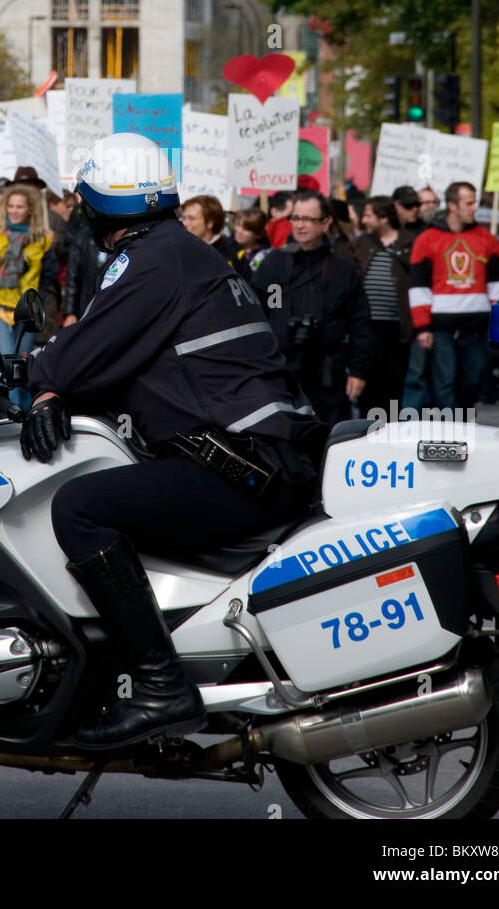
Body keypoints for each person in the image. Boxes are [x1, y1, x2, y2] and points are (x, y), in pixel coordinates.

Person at [23, 134, 325, 749]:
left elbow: (83, 355)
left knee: (79, 509)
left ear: (97, 208)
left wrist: (40, 380)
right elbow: (136, 363)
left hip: (245, 466)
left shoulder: (151, 260)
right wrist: (59, 386)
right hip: (265, 457)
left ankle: (161, 686)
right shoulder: (183, 251)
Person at [251, 191, 374, 425]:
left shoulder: (342, 269)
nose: (299, 225)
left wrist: (358, 371)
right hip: (281, 372)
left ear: (326, 222)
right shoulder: (274, 263)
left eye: (308, 219)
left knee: (326, 442)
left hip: (327, 375)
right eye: (295, 218)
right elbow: (254, 313)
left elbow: (360, 322)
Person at [407, 180, 499, 412]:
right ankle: (451, 432)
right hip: (441, 327)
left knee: (473, 380)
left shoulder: (487, 239)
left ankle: (462, 421)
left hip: (476, 327)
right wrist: (422, 327)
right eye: (469, 203)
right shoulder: (427, 239)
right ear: (452, 205)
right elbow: (419, 286)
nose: (474, 208)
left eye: (475, 203)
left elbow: (498, 285)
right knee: (444, 381)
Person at [0, 183, 51, 385]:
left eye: (19, 207)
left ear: (29, 210)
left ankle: (22, 413)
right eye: (11, 206)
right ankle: (7, 412)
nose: (14, 211)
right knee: (6, 363)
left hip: (27, 315)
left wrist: (38, 303)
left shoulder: (42, 240)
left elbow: (49, 275)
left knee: (22, 369)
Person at [353, 196, 413, 421]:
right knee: (369, 382)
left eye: (368, 214)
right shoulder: (362, 243)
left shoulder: (409, 243)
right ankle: (369, 427)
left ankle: (392, 429)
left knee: (394, 381)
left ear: (384, 217)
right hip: (367, 326)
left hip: (398, 328)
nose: (364, 219)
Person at [181, 195, 238, 264]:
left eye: (192, 218)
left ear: (210, 222)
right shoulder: (178, 248)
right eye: (184, 218)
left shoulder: (232, 250)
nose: (184, 223)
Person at [233, 208, 270, 276]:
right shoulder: (226, 248)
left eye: (246, 229)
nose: (239, 231)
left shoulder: (266, 255)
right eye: (238, 225)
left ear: (258, 234)